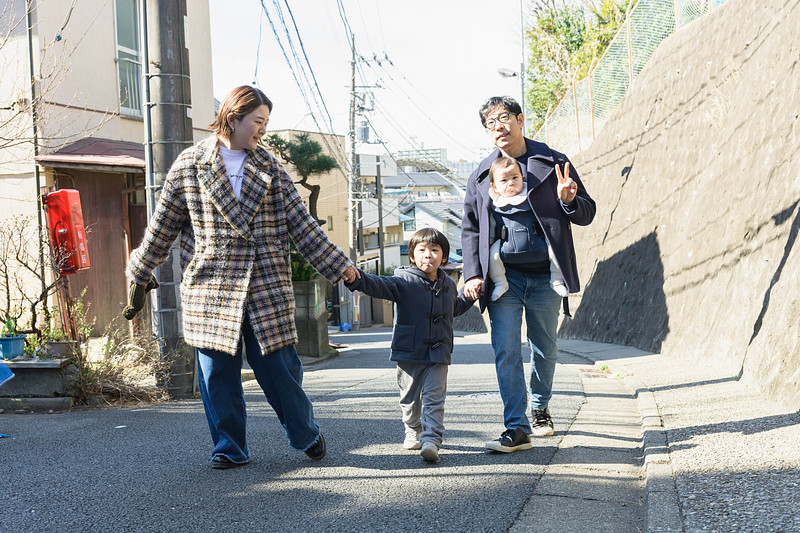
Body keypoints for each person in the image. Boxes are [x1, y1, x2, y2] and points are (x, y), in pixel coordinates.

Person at [123, 85, 359, 469]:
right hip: (211, 287)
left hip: (265, 284)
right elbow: (162, 227)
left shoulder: (271, 168)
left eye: (266, 122)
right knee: (217, 375)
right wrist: (140, 271)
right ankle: (229, 447)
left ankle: (305, 432)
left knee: (280, 371)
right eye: (258, 122)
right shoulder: (189, 165)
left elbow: (302, 226)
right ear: (232, 119)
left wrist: (340, 266)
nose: (263, 130)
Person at [461, 96, 596, 453]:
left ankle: (539, 407)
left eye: (504, 117)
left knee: (544, 349)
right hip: (502, 280)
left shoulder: (553, 162)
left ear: (520, 120)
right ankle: (516, 428)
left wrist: (569, 200)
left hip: (546, 277)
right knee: (505, 350)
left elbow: (586, 213)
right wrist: (472, 274)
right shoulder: (481, 176)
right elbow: (471, 229)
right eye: (490, 123)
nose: (498, 127)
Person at [344, 228, 475, 462]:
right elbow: (378, 284)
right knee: (410, 399)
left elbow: (454, 308)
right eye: (422, 250)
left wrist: (469, 296)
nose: (428, 255)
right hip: (409, 351)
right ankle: (413, 429)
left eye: (435, 250)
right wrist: (358, 279)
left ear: (444, 257)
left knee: (435, 398)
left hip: (439, 352)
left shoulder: (448, 285)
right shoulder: (404, 280)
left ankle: (431, 440)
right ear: (412, 256)